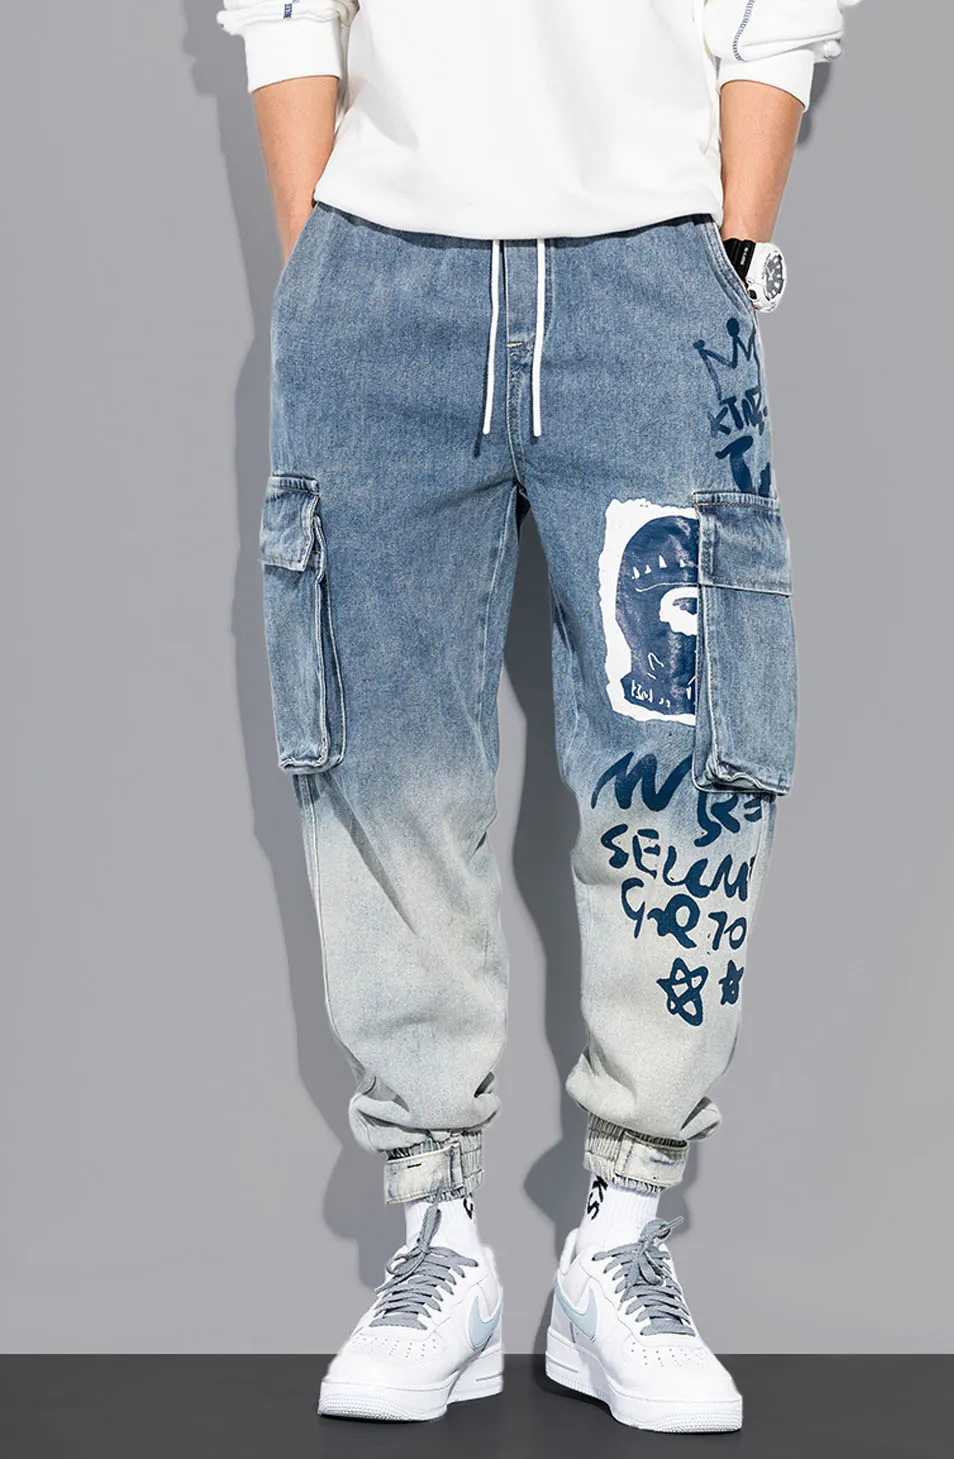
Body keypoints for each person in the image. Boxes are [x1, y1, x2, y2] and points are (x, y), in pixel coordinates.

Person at [218, 0, 860, 1433]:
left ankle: (620, 1242)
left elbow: (781, 15)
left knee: (683, 757)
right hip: (382, 271)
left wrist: (729, 258)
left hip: (654, 276)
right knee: (381, 754)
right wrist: (320, 268)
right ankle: (436, 1243)